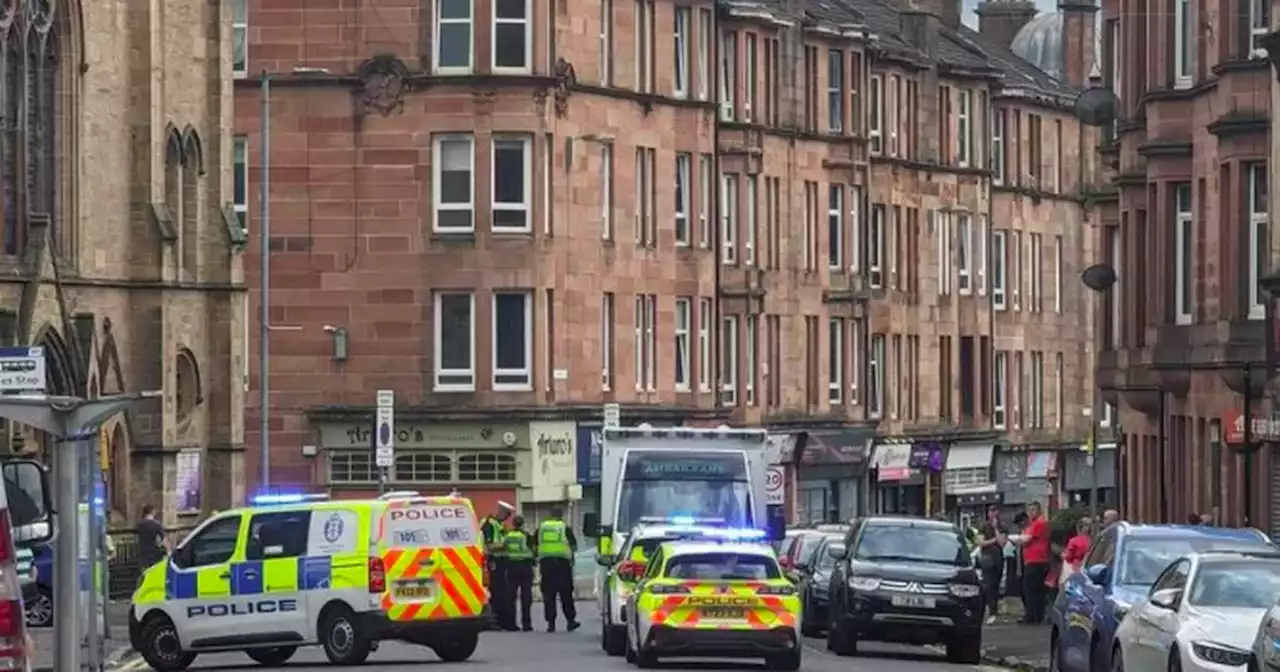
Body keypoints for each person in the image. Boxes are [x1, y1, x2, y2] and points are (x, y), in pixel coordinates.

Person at [536, 507, 580, 633]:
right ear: (561, 515)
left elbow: (533, 544)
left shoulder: (542, 527)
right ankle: (570, 621)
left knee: (549, 595)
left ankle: (551, 623)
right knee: (566, 594)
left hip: (546, 564)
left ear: (551, 514)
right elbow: (574, 545)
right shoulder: (564, 527)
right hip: (562, 565)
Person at [1013, 501, 1051, 625]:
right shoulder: (1038, 523)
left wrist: (1012, 538)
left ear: (1039, 510)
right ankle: (1037, 616)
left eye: (1033, 510)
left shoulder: (1038, 523)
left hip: (1035, 561)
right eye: (1029, 510)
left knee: (1030, 591)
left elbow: (1025, 540)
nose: (1031, 513)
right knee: (1037, 591)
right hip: (1038, 560)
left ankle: (1031, 616)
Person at [481, 501, 515, 630]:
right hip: (493, 561)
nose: (507, 517)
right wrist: (505, 545)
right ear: (501, 512)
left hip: (502, 561)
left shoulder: (500, 525)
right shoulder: (489, 524)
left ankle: (502, 620)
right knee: (496, 591)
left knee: (503, 592)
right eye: (507, 514)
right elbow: (489, 545)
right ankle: (493, 621)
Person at [502, 515, 537, 632]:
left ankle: (511, 624)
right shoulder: (526, 536)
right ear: (522, 524)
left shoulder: (508, 536)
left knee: (510, 597)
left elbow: (504, 547)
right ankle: (526, 624)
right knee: (526, 596)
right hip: (525, 567)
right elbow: (533, 550)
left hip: (511, 566)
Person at [976, 506, 1007, 625]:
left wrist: (995, 529)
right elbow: (980, 542)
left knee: (996, 585)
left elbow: (1002, 543)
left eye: (995, 510)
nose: (993, 513)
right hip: (987, 559)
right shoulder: (984, 526)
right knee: (988, 585)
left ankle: (995, 610)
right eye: (991, 511)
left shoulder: (1002, 526)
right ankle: (992, 611)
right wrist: (993, 540)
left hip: (998, 559)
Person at [135, 504, 167, 570]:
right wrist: (167, 551)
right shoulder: (156, 524)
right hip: (154, 554)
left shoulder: (139, 525)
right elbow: (164, 540)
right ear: (153, 512)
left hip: (142, 554)